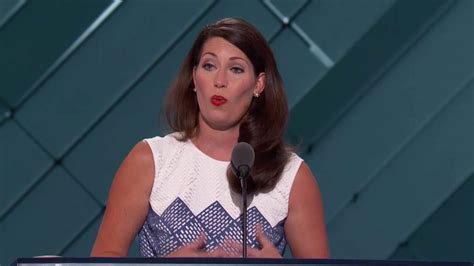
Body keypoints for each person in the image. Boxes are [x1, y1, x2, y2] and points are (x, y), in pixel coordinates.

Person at [91, 17, 329, 258]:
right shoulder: (150, 161)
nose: (220, 81)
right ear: (195, 78)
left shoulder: (292, 177)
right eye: (209, 66)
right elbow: (102, 260)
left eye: (235, 69)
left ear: (259, 84)